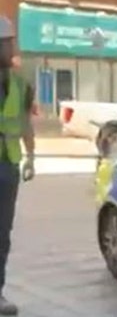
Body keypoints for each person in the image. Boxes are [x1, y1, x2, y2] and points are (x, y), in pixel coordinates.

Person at [0, 16, 36, 315]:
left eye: (9, 41)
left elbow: (24, 123)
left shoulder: (20, 83)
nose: (10, 47)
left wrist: (32, 156)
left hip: (8, 164)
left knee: (2, 233)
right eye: (5, 42)